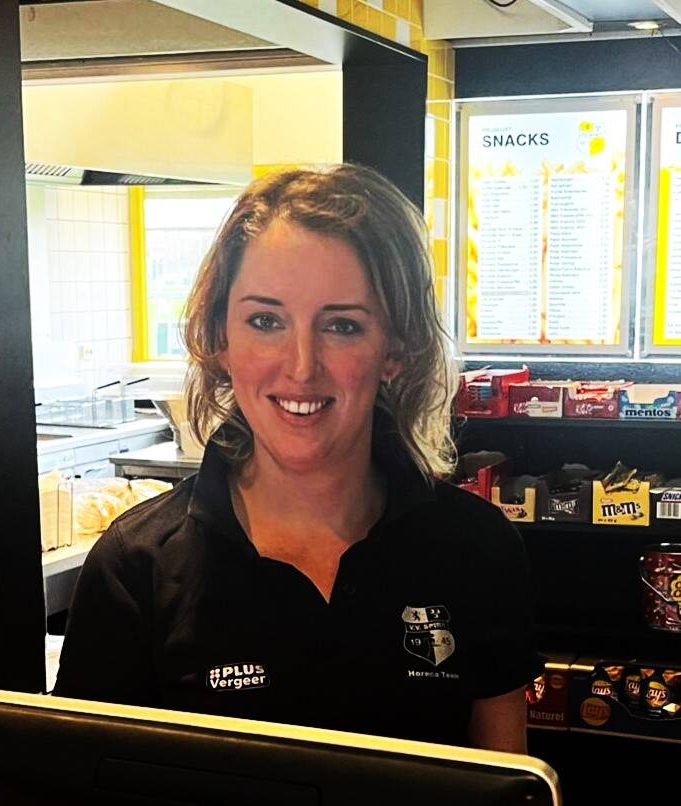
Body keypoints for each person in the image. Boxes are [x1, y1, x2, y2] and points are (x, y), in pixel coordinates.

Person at [54, 165, 542, 752]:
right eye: (266, 321)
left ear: (396, 349)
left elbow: (507, 779)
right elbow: (76, 781)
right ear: (220, 339)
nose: (302, 366)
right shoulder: (136, 569)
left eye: (342, 326)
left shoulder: (477, 549)